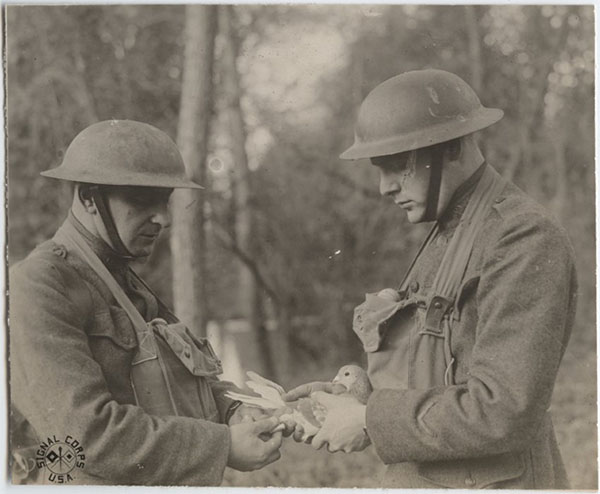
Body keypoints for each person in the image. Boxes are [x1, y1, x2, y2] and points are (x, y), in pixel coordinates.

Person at [284, 69, 577, 489]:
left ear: (452, 148)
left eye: (398, 167)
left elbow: (502, 412)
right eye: (379, 169)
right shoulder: (451, 230)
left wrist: (370, 419)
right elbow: (437, 374)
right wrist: (356, 396)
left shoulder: (521, 238)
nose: (384, 187)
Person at [9, 120, 283, 485]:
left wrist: (232, 410)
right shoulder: (39, 285)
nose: (164, 219)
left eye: (165, 200)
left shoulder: (124, 280)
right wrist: (222, 446)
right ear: (89, 198)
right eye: (141, 200)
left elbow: (175, 380)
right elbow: (85, 436)